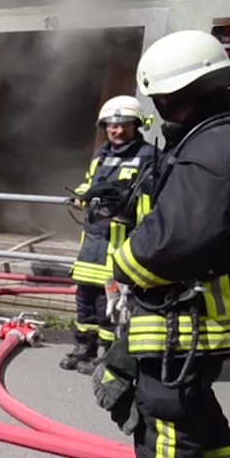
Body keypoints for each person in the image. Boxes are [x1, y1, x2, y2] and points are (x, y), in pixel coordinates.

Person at [87, 29, 230, 458]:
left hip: (194, 306)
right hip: (219, 300)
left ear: (176, 94)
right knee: (190, 397)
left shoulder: (211, 146)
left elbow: (177, 238)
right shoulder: (229, 133)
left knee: (164, 404)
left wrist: (123, 265)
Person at [62, 96, 158, 374]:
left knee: (111, 305)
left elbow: (149, 202)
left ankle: (107, 356)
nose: (117, 131)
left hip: (120, 246)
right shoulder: (102, 154)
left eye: (124, 125)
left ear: (137, 125)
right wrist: (81, 196)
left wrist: (128, 215)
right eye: (112, 125)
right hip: (92, 243)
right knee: (84, 301)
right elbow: (90, 183)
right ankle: (84, 348)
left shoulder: (147, 157)